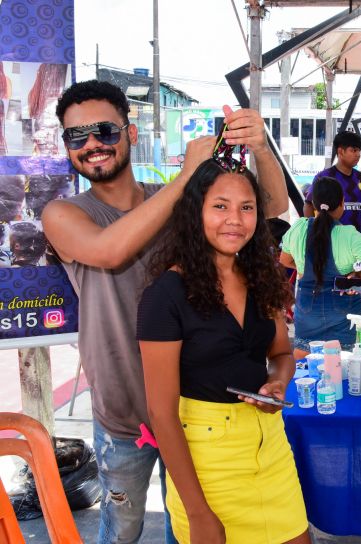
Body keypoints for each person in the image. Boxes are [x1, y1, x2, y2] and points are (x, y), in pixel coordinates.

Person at [43, 80, 287, 543]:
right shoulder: (63, 213)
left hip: (195, 413)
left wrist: (261, 150)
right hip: (125, 416)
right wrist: (183, 181)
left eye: (104, 131)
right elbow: (109, 250)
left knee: (193, 527)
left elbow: (267, 208)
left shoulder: (173, 198)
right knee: (122, 533)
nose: (92, 145)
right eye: (77, 136)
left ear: (130, 133)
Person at [137, 159, 308, 544]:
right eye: (220, 206)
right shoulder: (165, 296)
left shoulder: (261, 277)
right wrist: (198, 513)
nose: (235, 219)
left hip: (271, 447)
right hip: (205, 462)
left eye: (246, 207)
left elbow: (281, 354)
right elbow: (161, 414)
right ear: (194, 212)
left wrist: (277, 384)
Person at [282, 176, 361, 359]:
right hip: (342, 310)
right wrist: (359, 275)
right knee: (342, 364)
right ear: (342, 204)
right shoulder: (349, 235)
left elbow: (284, 260)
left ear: (313, 203)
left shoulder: (298, 228)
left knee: (304, 361)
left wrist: (302, 266)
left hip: (308, 309)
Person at [305, 131, 361, 233]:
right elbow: (308, 205)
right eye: (354, 150)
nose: (358, 154)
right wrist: (311, 231)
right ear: (340, 152)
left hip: (357, 239)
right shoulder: (323, 177)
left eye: (359, 150)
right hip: (330, 238)